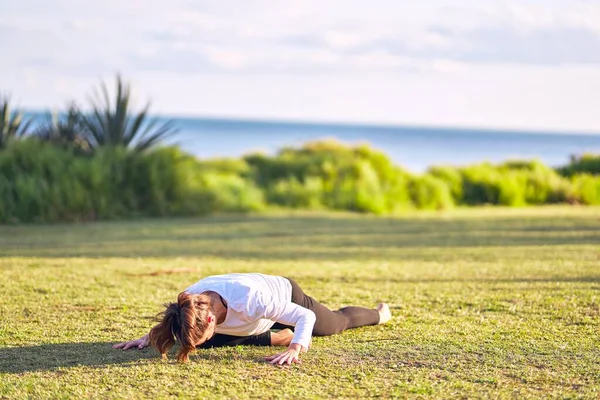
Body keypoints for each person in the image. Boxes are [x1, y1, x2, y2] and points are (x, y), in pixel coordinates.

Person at [113, 273, 392, 365]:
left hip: (285, 295)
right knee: (198, 345)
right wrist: (150, 337)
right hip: (251, 322)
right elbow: (177, 322)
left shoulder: (249, 299)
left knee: (331, 325)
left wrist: (296, 347)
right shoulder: (192, 299)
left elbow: (304, 315)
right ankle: (274, 336)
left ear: (211, 320)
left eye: (206, 331)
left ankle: (379, 313)